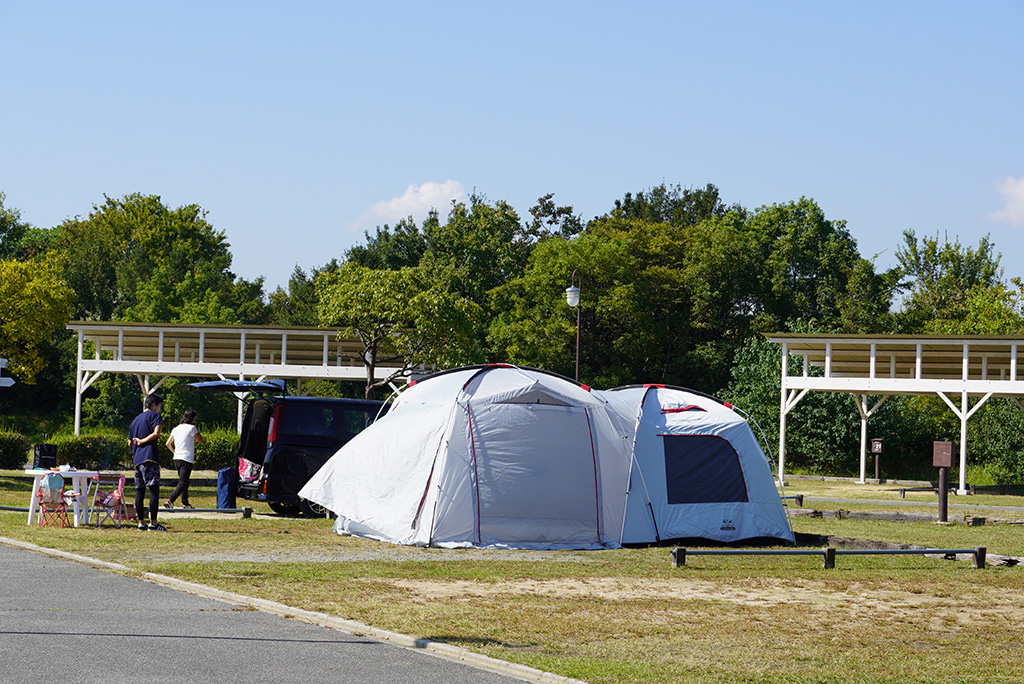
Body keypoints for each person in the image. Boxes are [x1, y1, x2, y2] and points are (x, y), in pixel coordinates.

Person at [129, 393, 166, 531]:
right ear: (153, 404)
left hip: (137, 460)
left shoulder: (135, 420)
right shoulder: (155, 416)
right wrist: (143, 441)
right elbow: (156, 433)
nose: (160, 410)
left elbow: (129, 442)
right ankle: (154, 523)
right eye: (159, 406)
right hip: (149, 457)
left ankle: (141, 523)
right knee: (154, 489)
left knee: (140, 491)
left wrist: (137, 442)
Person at [164, 409, 203, 509]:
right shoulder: (192, 428)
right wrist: (196, 428)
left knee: (184, 481)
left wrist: (174, 452)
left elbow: (168, 443)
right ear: (192, 419)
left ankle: (185, 503)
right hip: (186, 459)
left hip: (177, 458)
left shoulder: (176, 428)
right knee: (183, 483)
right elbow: (200, 440)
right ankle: (170, 500)